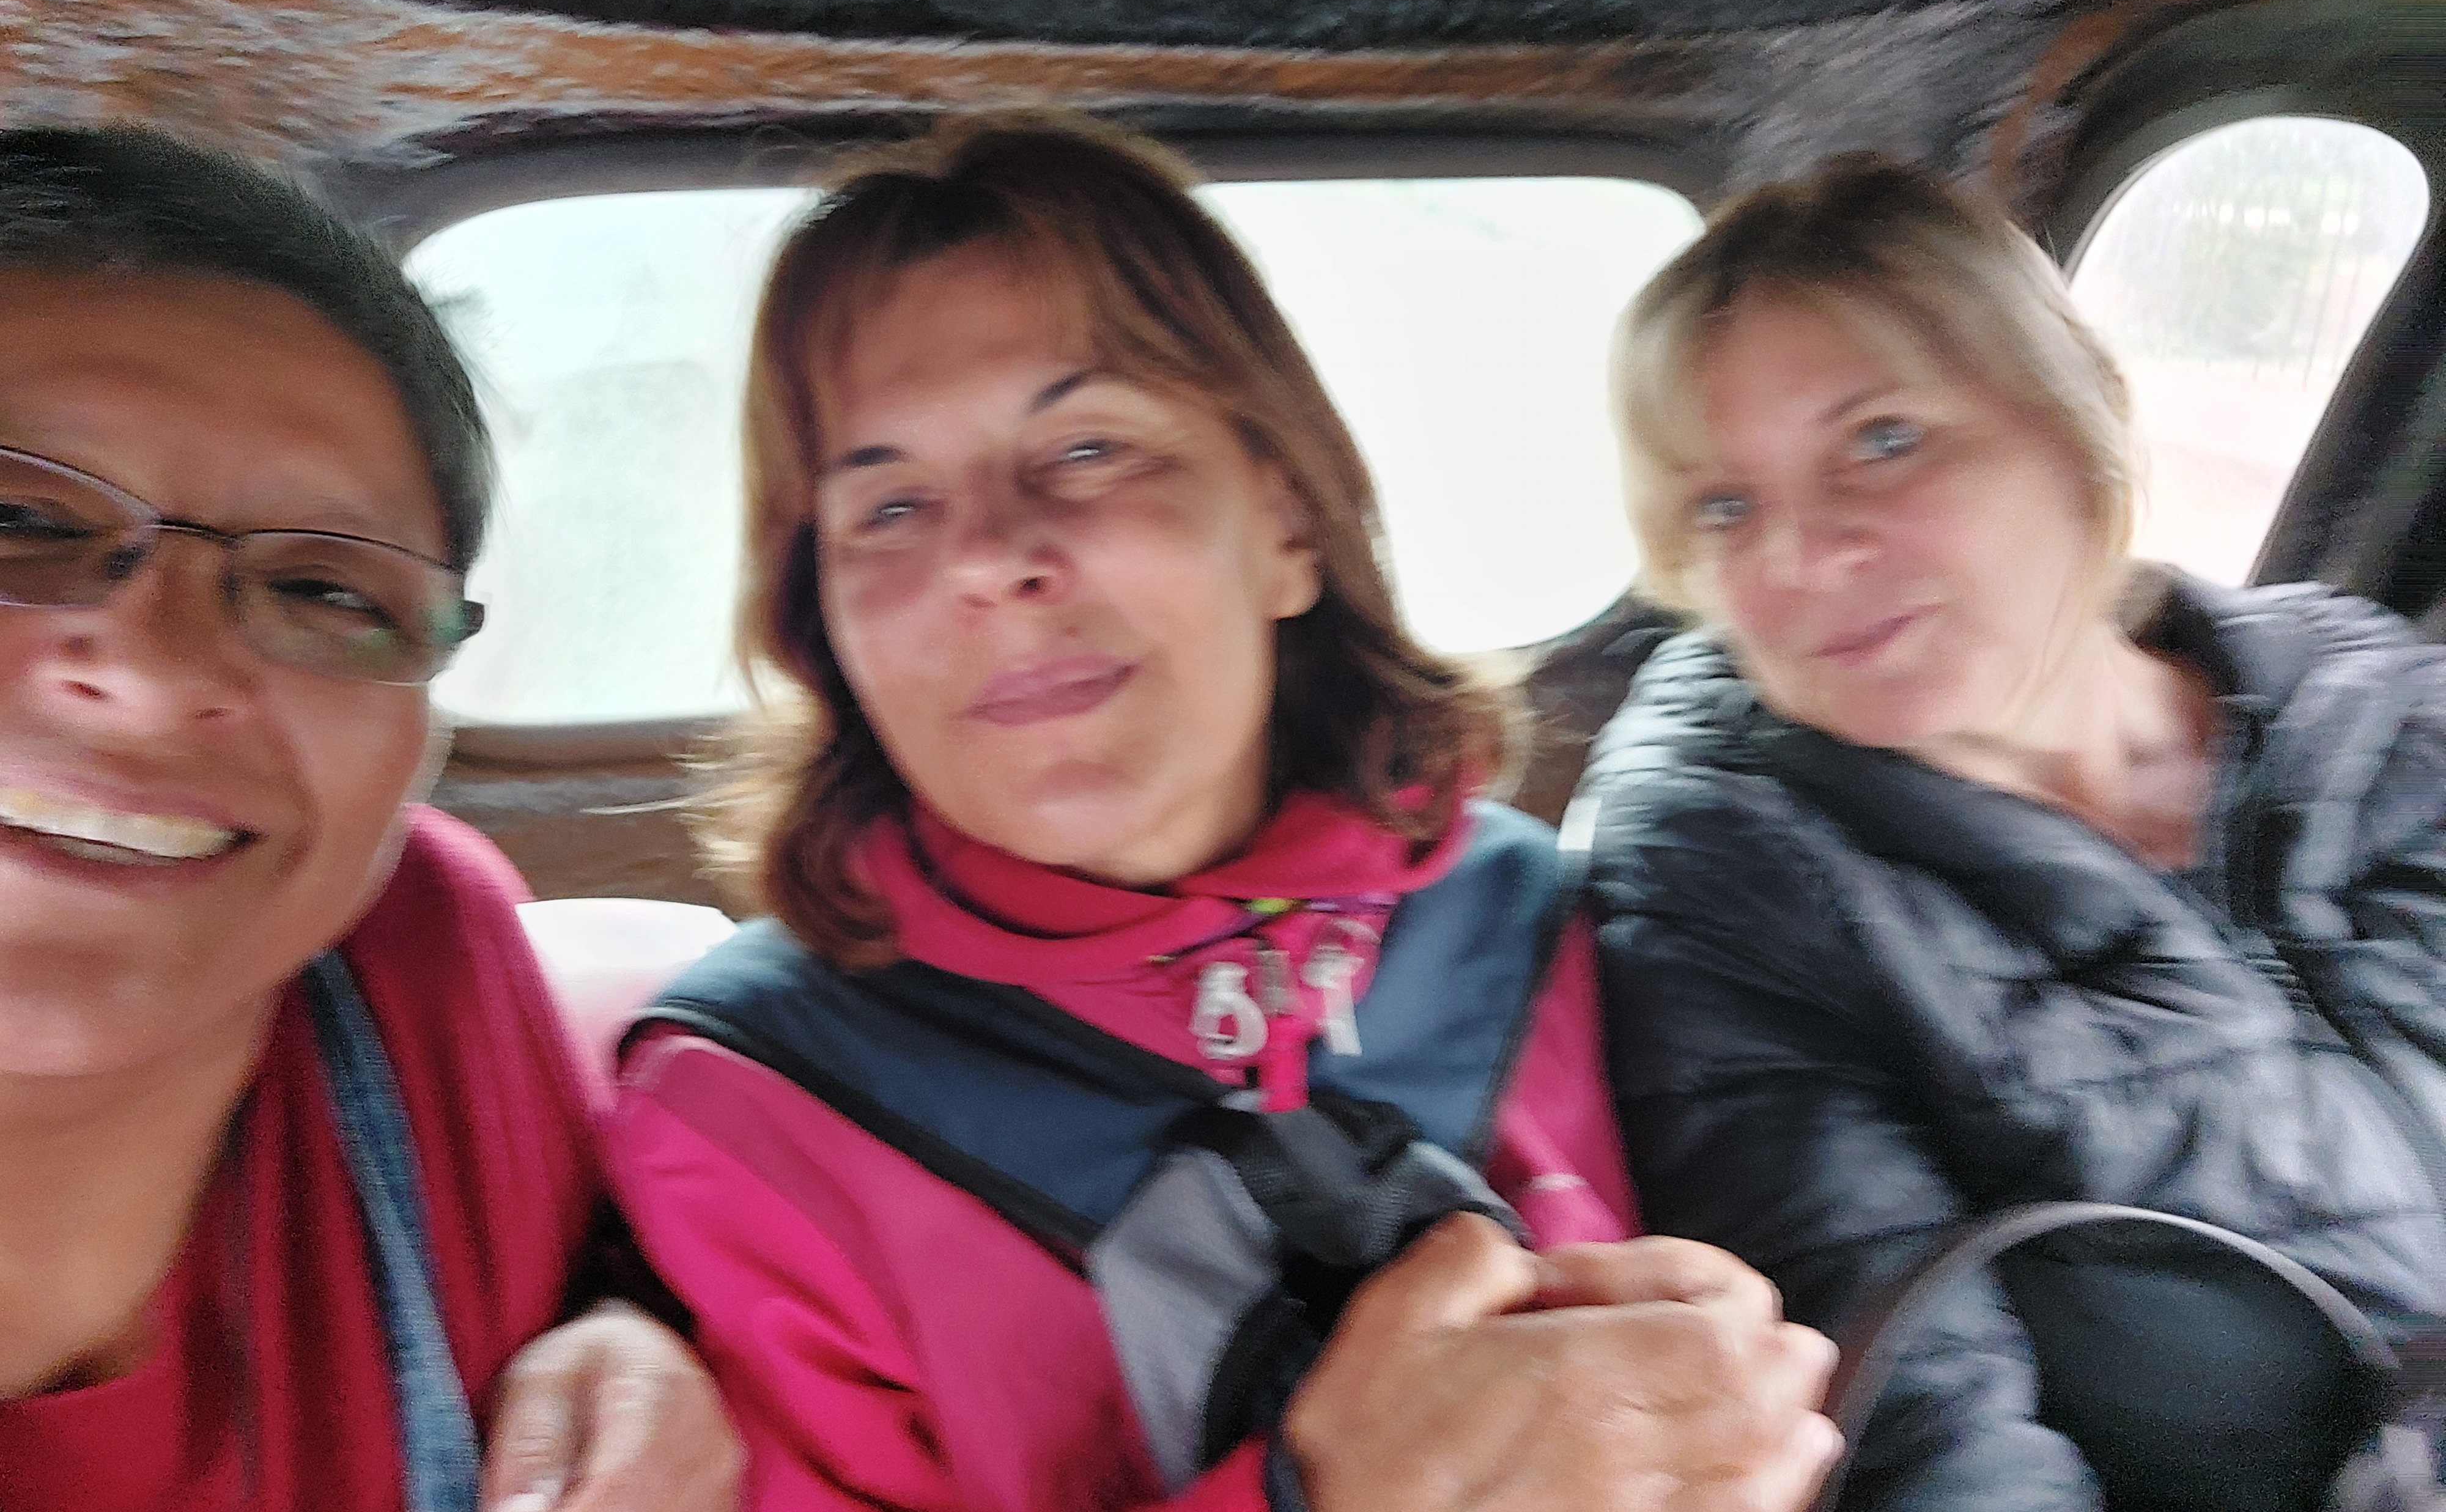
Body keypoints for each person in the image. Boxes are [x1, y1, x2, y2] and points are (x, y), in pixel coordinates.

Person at [605, 113, 1842, 1512]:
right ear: (824, 625)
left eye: (1086, 448)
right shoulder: (751, 1108)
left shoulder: (1530, 924)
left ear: (1287, 526)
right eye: (887, 509)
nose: (988, 560)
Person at [1577, 152, 2446, 1510]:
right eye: (1724, 506)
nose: (1799, 558)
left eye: (1882, 440)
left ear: (2069, 421)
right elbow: (1920, 1432)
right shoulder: (1725, 883)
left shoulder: (2376, 705)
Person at [0, 127, 742, 1511]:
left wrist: (645, 1332)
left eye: (324, 592)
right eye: (19, 518)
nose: (153, 676)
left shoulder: (415, 958)